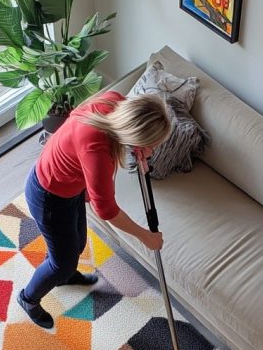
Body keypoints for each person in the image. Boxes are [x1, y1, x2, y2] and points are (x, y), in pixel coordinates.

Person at [17, 90, 173, 329]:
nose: (151, 151)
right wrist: (146, 237)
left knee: (77, 244)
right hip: (49, 196)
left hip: (71, 187)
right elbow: (107, 210)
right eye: (151, 146)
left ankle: (65, 276)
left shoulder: (114, 101)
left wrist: (137, 148)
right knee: (61, 263)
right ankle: (28, 298)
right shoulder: (96, 149)